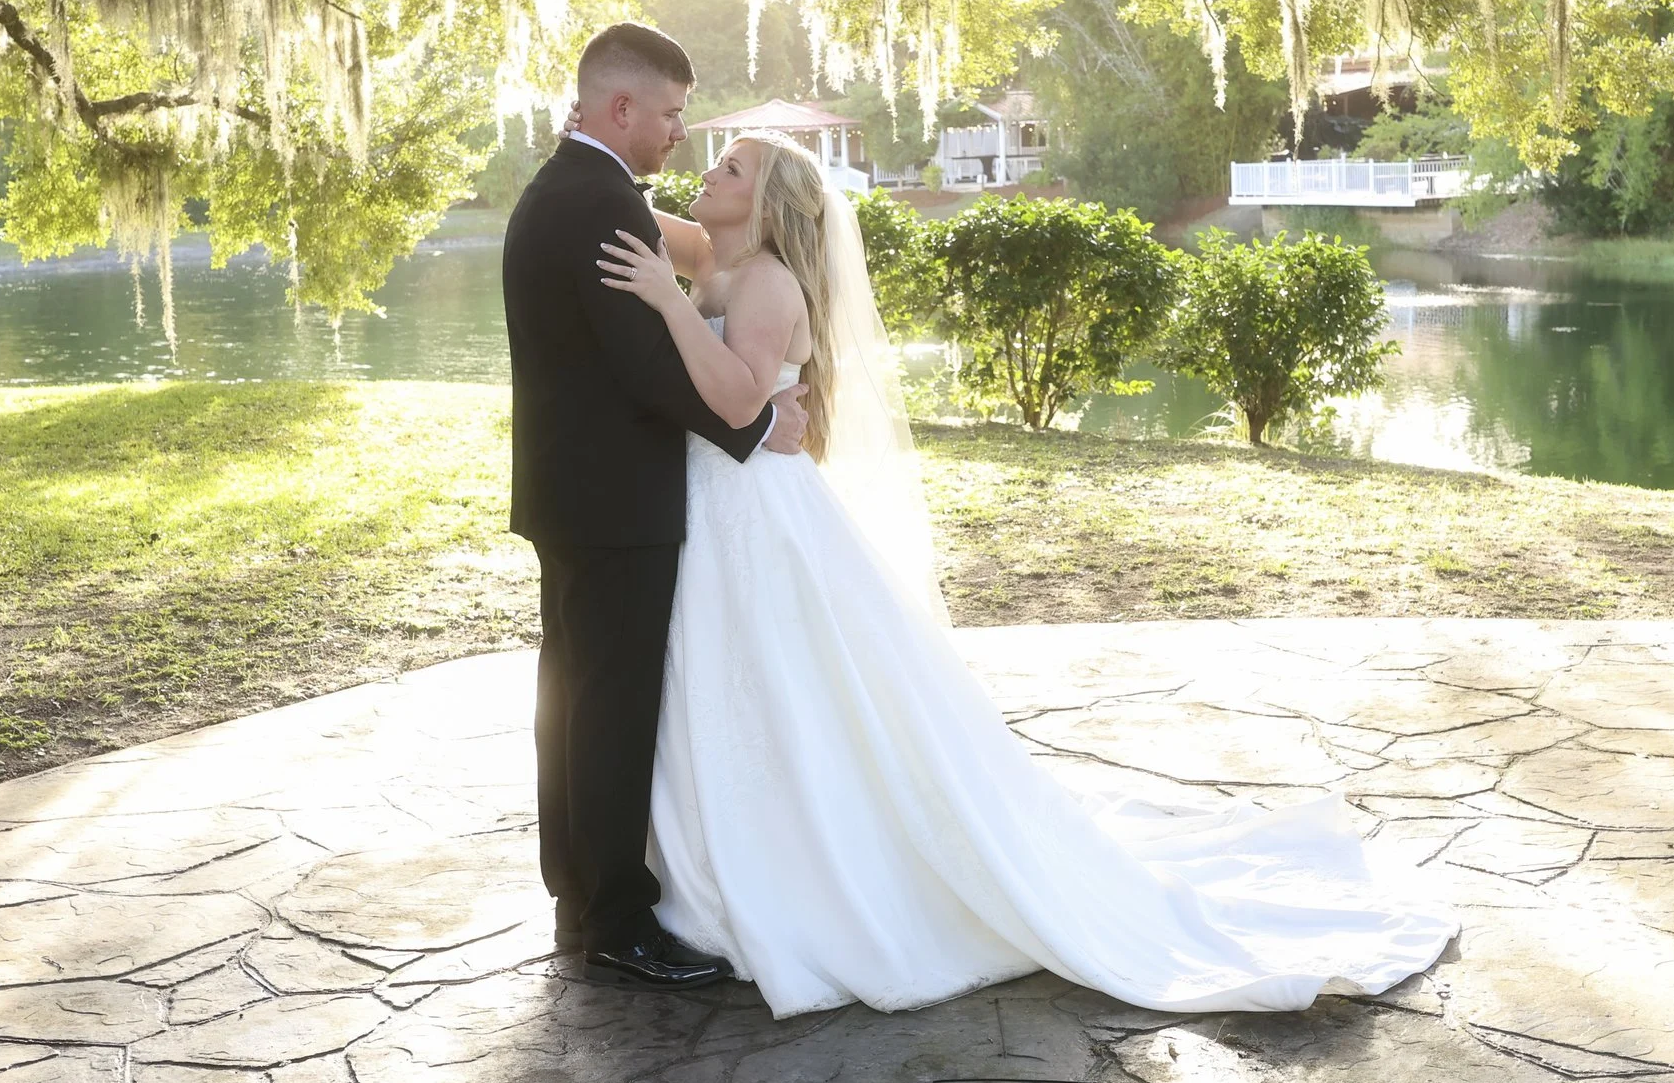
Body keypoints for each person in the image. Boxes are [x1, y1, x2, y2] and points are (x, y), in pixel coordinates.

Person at [594, 131, 1457, 1017]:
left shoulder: (767, 279)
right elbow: (630, 208)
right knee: (738, 687)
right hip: (712, 502)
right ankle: (731, 856)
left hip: (758, 510)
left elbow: (740, 400)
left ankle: (811, 876)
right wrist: (598, 165)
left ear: (767, 204)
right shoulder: (715, 255)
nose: (707, 173)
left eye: (729, 168)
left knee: (785, 686)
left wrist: (665, 302)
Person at [502, 22, 810, 990]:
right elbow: (646, 366)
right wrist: (758, 431)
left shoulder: (581, 189)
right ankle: (617, 921)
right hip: (614, 498)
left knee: (575, 703)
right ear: (620, 107)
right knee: (609, 710)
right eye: (673, 112)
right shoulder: (600, 205)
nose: (681, 130)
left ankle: (578, 896)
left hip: (577, 491)